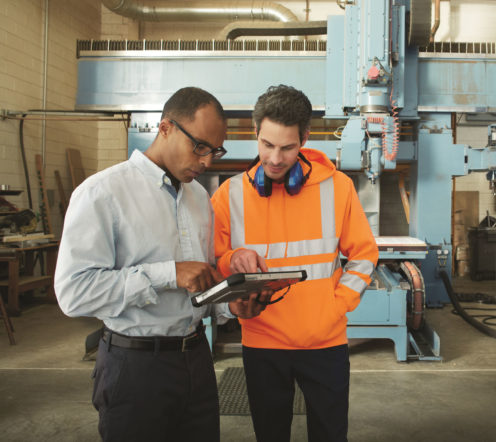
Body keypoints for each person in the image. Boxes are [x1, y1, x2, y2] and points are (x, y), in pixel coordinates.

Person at [54, 86, 269, 442]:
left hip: (197, 361)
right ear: (165, 127)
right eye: (199, 146)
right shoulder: (102, 194)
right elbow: (73, 293)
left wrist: (230, 306)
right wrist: (167, 274)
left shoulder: (199, 198)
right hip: (134, 368)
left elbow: (198, 287)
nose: (206, 162)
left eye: (215, 151)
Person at [211, 85, 379, 442]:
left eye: (287, 147)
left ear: (304, 138)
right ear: (255, 134)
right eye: (267, 145)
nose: (274, 158)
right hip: (262, 341)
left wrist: (336, 307)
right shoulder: (230, 195)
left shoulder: (338, 187)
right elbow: (215, 261)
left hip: (325, 341)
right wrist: (231, 259)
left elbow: (363, 255)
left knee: (330, 434)